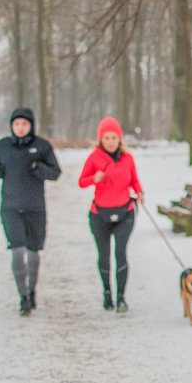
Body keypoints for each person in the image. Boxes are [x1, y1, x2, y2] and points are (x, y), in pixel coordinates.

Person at [0, 107, 61, 316]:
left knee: (33, 251)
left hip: (35, 208)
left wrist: (37, 168)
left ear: (31, 126)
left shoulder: (41, 146)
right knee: (17, 251)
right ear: (12, 126)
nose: (20, 128)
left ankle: (32, 290)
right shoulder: (3, 146)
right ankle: (23, 297)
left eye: (25, 124)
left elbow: (55, 173)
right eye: (17, 124)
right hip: (11, 207)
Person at [78, 116, 143, 312]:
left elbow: (134, 180)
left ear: (119, 139)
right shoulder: (94, 158)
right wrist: (94, 178)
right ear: (100, 139)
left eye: (114, 137)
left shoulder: (128, 158)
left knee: (120, 253)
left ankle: (121, 297)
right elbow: (82, 181)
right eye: (106, 137)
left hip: (125, 212)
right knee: (104, 255)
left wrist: (139, 192)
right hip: (99, 214)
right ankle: (107, 293)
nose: (110, 141)